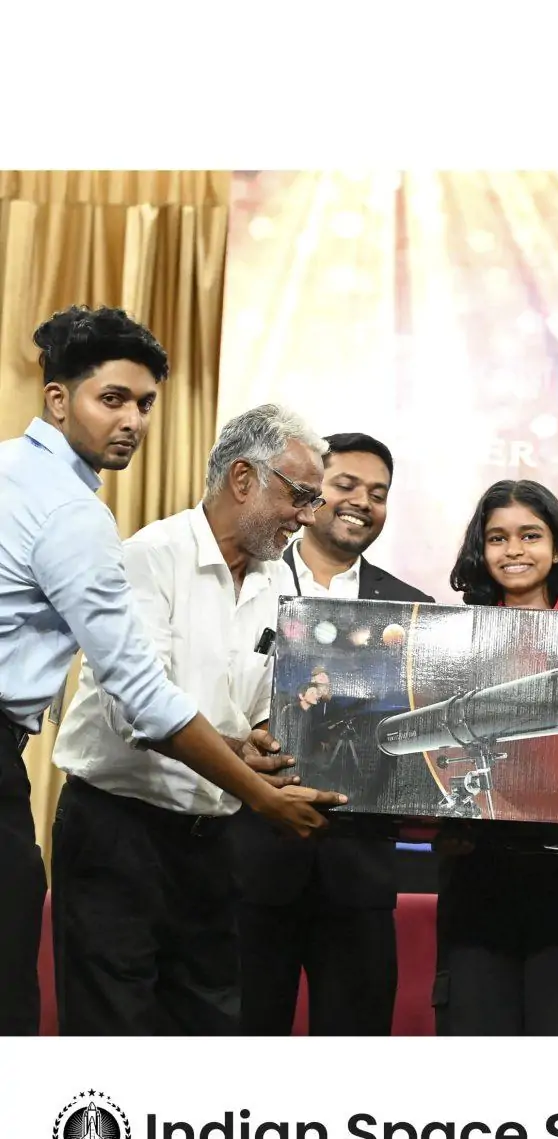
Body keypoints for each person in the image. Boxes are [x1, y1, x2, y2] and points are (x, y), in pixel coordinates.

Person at [0, 307, 336, 1036]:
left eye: (146, 404)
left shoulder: (282, 581)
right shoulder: (105, 531)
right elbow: (140, 701)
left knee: (203, 1038)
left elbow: (246, 702)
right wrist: (259, 792)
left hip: (208, 842)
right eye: (112, 399)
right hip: (118, 828)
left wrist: (250, 745)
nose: (133, 421)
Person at [233, 432, 434, 1036]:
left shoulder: (413, 609)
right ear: (310, 490)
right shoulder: (251, 579)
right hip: (249, 862)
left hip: (358, 876)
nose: (361, 502)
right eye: (345, 485)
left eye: (378, 494)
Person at [432, 479, 558, 1035]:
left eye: (530, 535)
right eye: (497, 538)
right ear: (481, 549)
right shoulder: (448, 644)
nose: (513, 550)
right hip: (477, 876)